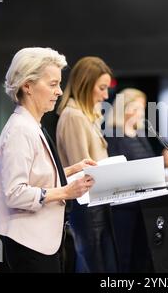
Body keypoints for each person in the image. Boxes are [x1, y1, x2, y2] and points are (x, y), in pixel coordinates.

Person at [0, 47, 95, 273]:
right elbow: (15, 193)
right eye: (52, 84)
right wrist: (66, 192)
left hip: (43, 241)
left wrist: (72, 170)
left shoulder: (32, 126)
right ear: (27, 86)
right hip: (29, 244)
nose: (59, 91)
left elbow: (38, 176)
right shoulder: (19, 131)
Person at [56, 56, 118, 273]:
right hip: (88, 207)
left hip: (97, 204)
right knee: (96, 267)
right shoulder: (73, 116)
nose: (105, 95)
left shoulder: (85, 115)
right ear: (85, 84)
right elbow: (80, 168)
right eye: (101, 88)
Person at [105, 88, 155, 272]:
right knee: (124, 258)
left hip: (144, 205)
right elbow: (115, 168)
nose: (142, 113)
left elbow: (150, 160)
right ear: (126, 109)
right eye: (140, 107)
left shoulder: (140, 133)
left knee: (143, 257)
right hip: (123, 208)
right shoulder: (113, 134)